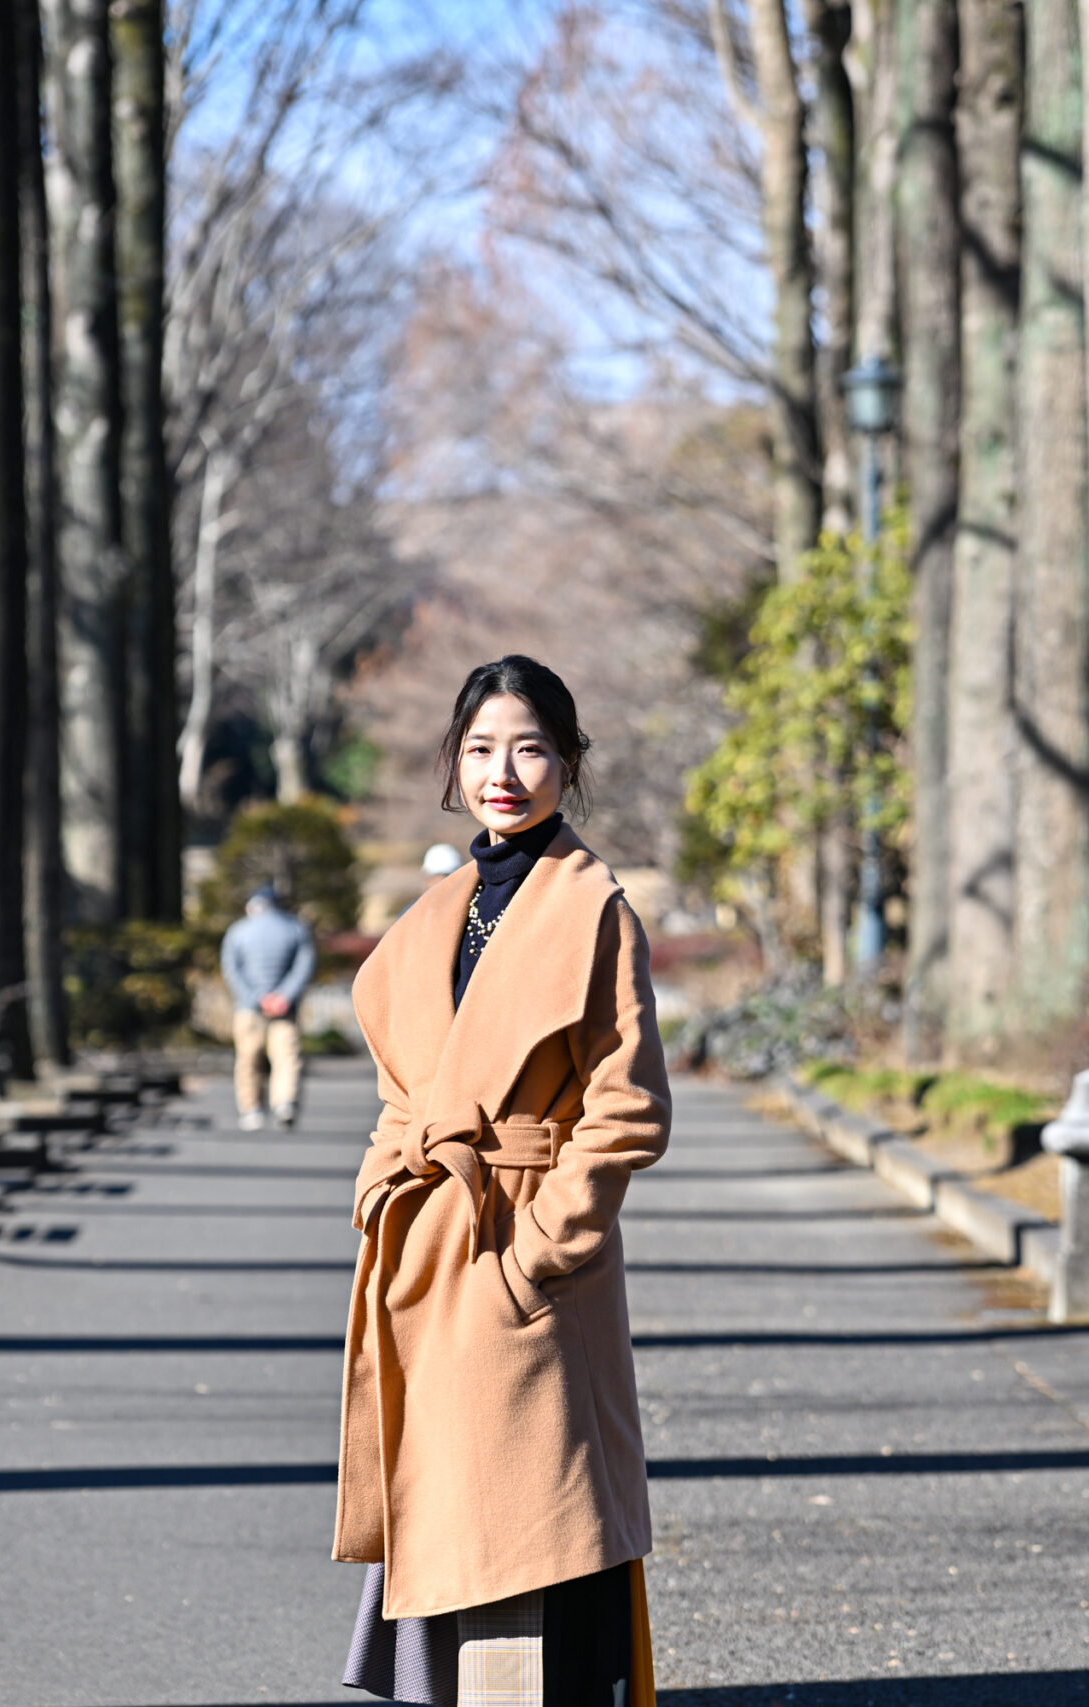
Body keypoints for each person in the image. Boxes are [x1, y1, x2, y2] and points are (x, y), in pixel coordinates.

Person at [337, 655, 668, 1707]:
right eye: (480, 749)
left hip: (529, 1257)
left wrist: (538, 1256)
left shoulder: (594, 908)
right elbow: (403, 1093)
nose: (503, 773)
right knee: (449, 1511)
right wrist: (380, 1186)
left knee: (536, 1525)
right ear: (453, 762)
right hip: (429, 1251)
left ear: (569, 763)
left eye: (530, 749)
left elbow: (626, 1110)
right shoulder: (432, 916)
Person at [222, 884, 315, 1131]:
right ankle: (285, 1103)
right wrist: (284, 995)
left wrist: (256, 997)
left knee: (248, 1058)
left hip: (248, 1008)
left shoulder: (238, 931)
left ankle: (250, 1108)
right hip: (285, 1007)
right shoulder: (295, 927)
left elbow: (231, 969)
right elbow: (304, 966)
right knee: (287, 1056)